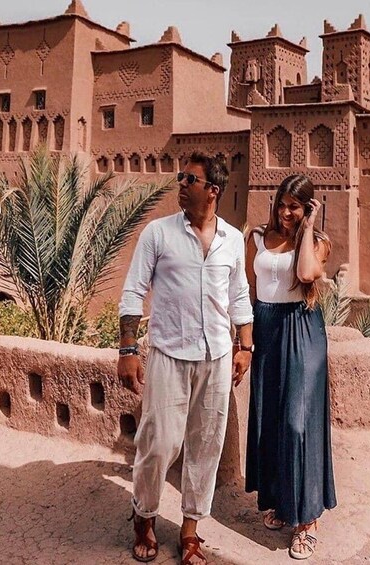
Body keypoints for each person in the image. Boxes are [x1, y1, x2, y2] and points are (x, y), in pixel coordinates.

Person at [118, 151, 254, 564]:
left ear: (212, 190)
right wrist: (127, 349)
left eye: (189, 179)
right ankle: (144, 515)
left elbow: (239, 295)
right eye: (181, 177)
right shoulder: (159, 233)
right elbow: (133, 291)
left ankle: (191, 530)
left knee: (206, 445)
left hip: (216, 356)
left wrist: (245, 346)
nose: (181, 184)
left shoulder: (232, 239)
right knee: (158, 443)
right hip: (169, 354)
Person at [245, 174, 337, 560]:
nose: (286, 213)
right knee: (271, 417)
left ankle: (307, 520)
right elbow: (250, 287)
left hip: (301, 329)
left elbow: (305, 275)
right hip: (266, 327)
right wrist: (245, 335)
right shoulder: (256, 236)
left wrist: (309, 226)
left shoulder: (317, 243)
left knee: (298, 423)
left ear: (307, 207)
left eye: (295, 207)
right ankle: (283, 504)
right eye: (282, 204)